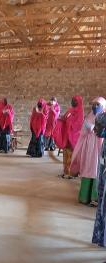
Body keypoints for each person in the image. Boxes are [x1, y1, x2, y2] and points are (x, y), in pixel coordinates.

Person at [70, 97, 106, 206]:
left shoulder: (104, 118)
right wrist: (87, 128)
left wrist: (95, 128)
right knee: (86, 170)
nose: (95, 107)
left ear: (103, 107)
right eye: (93, 104)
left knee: (96, 171)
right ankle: (84, 197)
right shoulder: (89, 116)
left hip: (98, 150)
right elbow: (82, 133)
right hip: (88, 149)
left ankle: (95, 198)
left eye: (97, 105)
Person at [54, 96, 84, 179]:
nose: (72, 102)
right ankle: (65, 171)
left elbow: (78, 125)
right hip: (67, 136)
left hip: (73, 137)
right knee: (65, 154)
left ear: (79, 102)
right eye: (72, 100)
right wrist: (60, 119)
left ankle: (72, 173)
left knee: (72, 155)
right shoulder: (70, 110)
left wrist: (69, 123)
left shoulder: (80, 112)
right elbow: (64, 118)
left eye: (74, 101)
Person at [92, 112, 106, 247]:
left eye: (99, 126)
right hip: (103, 175)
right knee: (102, 207)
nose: (95, 129)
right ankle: (102, 238)